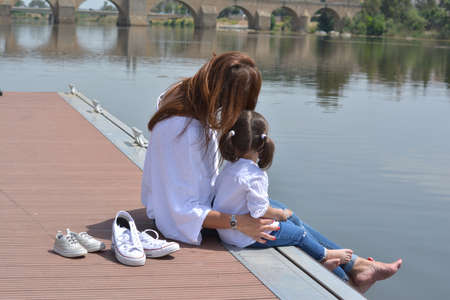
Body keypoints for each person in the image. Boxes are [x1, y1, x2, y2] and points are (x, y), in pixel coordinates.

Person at [141, 51, 402, 293]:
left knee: (282, 212)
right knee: (280, 224)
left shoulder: (187, 95)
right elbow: (180, 212)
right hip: (182, 223)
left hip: (199, 206)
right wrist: (238, 222)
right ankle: (347, 284)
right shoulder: (184, 133)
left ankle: (355, 266)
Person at [213, 110, 353, 272]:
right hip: (246, 237)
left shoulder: (228, 168)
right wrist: (280, 214)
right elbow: (259, 211)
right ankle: (324, 254)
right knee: (298, 234)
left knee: (292, 224)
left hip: (226, 231)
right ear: (262, 144)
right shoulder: (255, 175)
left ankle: (321, 262)